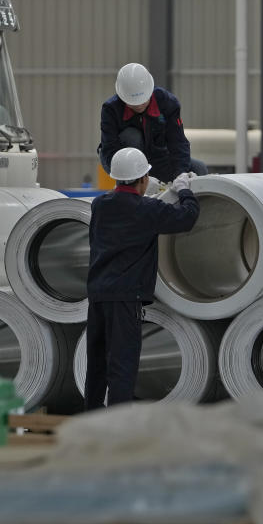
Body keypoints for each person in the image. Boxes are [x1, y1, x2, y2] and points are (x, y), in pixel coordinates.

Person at [84, 147, 200, 410]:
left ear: (116, 177)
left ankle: (90, 423)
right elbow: (188, 218)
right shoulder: (147, 210)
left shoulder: (99, 205)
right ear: (144, 179)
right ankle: (119, 428)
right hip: (126, 298)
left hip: (98, 295)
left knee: (97, 365)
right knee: (122, 366)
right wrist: (184, 190)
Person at [98, 63, 207, 183]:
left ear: (150, 91)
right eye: (133, 103)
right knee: (132, 136)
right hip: (122, 160)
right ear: (122, 97)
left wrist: (181, 174)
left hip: (157, 156)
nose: (139, 105)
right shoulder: (111, 109)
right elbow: (110, 148)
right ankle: (129, 191)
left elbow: (178, 142)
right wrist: (132, 180)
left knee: (198, 168)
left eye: (143, 101)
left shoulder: (168, 103)